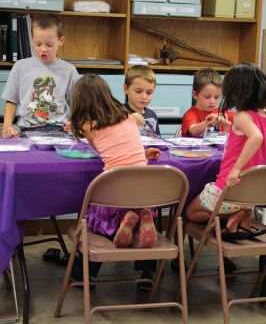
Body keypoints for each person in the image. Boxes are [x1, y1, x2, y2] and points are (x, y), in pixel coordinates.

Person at [70, 74, 161, 287]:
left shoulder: (87, 125)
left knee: (94, 220)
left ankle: (83, 274)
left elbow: (99, 149)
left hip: (115, 191)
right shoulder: (126, 115)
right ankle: (148, 274)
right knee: (139, 213)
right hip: (144, 191)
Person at [186, 63, 266, 237]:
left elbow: (256, 137)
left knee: (190, 212)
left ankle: (232, 215)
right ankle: (239, 215)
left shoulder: (241, 116)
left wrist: (236, 168)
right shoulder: (262, 115)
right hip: (253, 196)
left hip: (228, 191)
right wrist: (228, 125)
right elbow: (248, 135)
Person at [1, 13, 79, 138]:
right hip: (26, 130)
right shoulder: (20, 67)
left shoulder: (69, 70)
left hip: (60, 130)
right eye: (38, 44)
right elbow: (11, 100)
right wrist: (7, 126)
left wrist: (75, 122)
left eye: (49, 45)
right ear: (32, 39)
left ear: (61, 41)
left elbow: (77, 105)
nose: (43, 49)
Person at [181, 68, 233, 137]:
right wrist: (209, 122)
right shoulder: (190, 114)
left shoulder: (222, 113)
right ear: (195, 95)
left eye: (216, 97)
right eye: (207, 97)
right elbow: (193, 131)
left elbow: (243, 121)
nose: (212, 101)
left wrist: (225, 123)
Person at [124, 65, 160, 137]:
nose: (144, 97)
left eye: (149, 93)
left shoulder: (152, 115)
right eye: (138, 91)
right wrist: (128, 119)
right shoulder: (117, 112)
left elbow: (157, 141)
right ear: (126, 89)